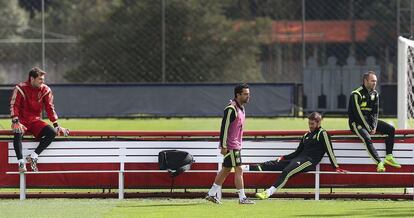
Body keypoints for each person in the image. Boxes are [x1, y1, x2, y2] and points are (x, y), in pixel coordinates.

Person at [252, 112, 347, 200]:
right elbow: (297, 152)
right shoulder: (306, 135)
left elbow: (330, 150)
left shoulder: (322, 133)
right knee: (273, 164)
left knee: (287, 171)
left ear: (318, 123)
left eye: (312, 124)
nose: (310, 126)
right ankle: (244, 168)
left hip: (309, 162)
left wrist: (336, 166)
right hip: (297, 159)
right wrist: (284, 157)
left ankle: (268, 193)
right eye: (309, 124)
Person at [10, 67, 69, 172]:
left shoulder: (45, 89)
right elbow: (14, 105)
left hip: (35, 121)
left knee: (51, 132)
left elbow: (50, 108)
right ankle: (21, 163)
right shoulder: (20, 88)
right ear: (32, 79)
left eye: (43, 79)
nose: (43, 81)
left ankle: (33, 156)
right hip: (21, 121)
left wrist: (56, 125)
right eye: (40, 79)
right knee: (18, 131)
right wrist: (15, 121)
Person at [205, 83, 254, 204]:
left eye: (249, 94)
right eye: (245, 94)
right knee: (239, 170)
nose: (248, 96)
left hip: (235, 145)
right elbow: (224, 128)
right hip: (231, 146)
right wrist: (223, 146)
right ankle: (242, 198)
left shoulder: (241, 108)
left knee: (226, 169)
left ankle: (211, 194)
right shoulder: (231, 109)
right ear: (238, 95)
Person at [348, 71, 400, 172]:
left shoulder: (375, 94)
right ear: (365, 81)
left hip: (369, 122)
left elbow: (375, 113)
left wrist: (374, 126)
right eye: (372, 81)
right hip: (356, 123)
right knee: (367, 137)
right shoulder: (356, 94)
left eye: (375, 81)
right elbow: (358, 115)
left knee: (391, 129)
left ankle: (389, 156)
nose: (374, 83)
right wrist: (368, 128)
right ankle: (379, 163)